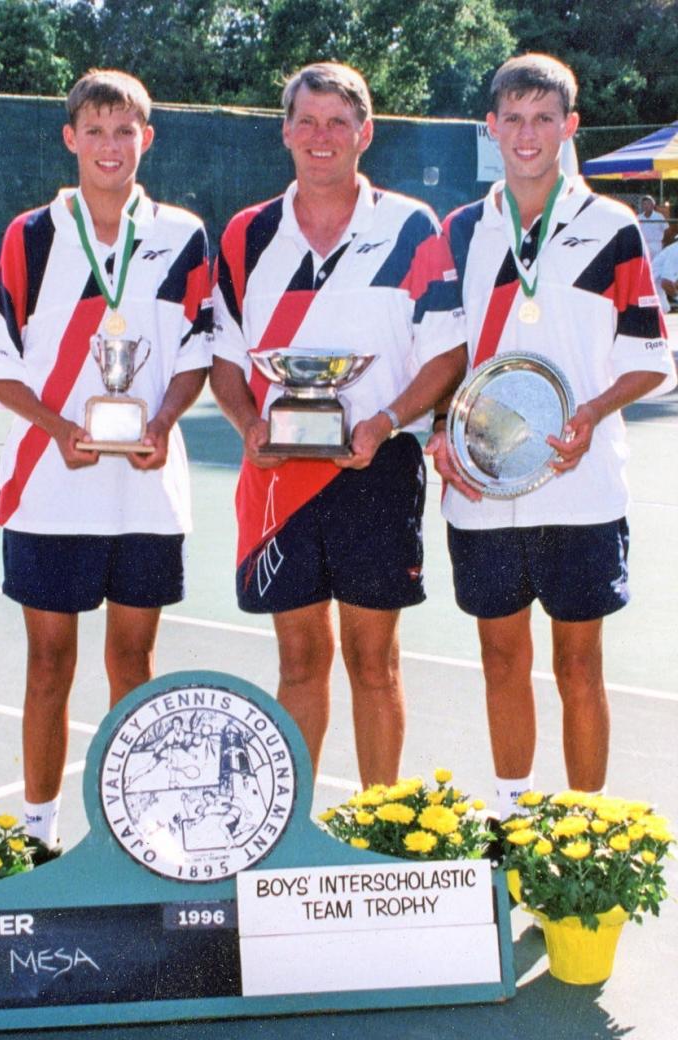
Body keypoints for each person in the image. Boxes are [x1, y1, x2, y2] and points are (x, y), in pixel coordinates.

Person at [430, 55, 676, 822]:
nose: (528, 134)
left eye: (544, 119)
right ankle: (511, 818)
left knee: (579, 666)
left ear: (569, 127)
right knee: (502, 658)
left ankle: (582, 828)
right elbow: (441, 356)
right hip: (480, 491)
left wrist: (591, 413)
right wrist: (441, 429)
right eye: (514, 118)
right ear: (492, 129)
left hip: (583, 484)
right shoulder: (460, 230)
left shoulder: (612, 228)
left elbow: (651, 358)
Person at [210, 62, 467, 786]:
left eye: (338, 123)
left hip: (375, 467)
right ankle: (295, 832)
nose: (322, 137)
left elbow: (446, 353)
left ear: (366, 133)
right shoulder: (245, 233)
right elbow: (225, 360)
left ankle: (378, 826)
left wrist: (384, 422)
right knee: (298, 662)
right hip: (278, 474)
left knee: (374, 663)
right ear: (286, 130)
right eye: (308, 121)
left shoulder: (411, 225)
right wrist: (245, 426)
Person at [0, 69, 213, 862]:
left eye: (126, 132)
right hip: (52, 488)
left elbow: (196, 353)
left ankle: (135, 824)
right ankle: (38, 830)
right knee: (48, 663)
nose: (110, 146)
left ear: (146, 139)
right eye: (96, 130)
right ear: (69, 138)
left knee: (133, 660)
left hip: (146, 491)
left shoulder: (182, 234)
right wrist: (56, 429)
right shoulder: (30, 235)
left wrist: (166, 420)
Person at [637, 195, 668, 260]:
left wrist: (664, 242)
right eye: (644, 204)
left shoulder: (659, 216)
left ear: (653, 205)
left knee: (656, 264)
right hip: (644, 245)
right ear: (642, 206)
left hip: (656, 245)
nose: (646, 206)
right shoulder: (639, 217)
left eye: (648, 203)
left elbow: (666, 230)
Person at [652, 237, 678, 312]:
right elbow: (666, 284)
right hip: (649, 292)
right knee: (663, 308)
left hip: (657, 289)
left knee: (665, 307)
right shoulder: (676, 252)